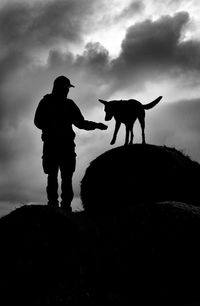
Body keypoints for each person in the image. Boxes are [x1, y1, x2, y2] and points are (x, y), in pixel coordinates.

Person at [34, 75, 107, 212]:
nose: (68, 90)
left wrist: (96, 125)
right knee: (55, 176)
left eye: (68, 88)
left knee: (63, 177)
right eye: (67, 87)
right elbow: (38, 122)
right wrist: (52, 126)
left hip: (61, 146)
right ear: (61, 88)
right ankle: (55, 206)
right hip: (56, 146)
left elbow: (80, 123)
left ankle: (63, 206)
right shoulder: (54, 103)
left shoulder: (64, 104)